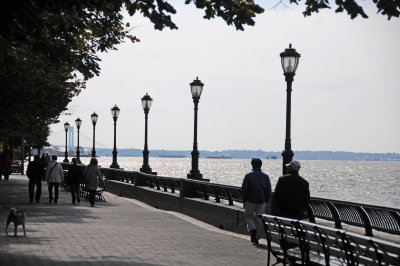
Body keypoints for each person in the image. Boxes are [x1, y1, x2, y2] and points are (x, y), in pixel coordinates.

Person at [241, 158, 272, 244]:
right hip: (261, 200)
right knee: (260, 218)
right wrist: (265, 199)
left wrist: (244, 199)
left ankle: (252, 229)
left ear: (252, 165)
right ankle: (257, 236)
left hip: (250, 200)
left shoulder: (248, 175)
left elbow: (244, 189)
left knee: (248, 216)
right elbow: (268, 190)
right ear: (261, 165)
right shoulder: (265, 176)